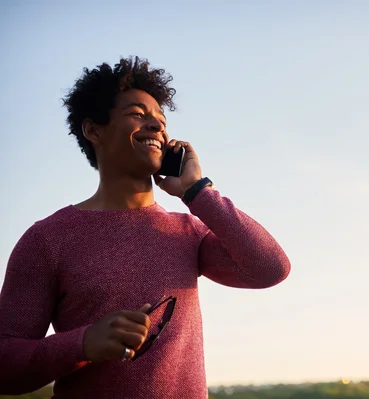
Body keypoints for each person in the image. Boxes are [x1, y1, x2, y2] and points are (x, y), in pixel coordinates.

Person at [0, 56, 291, 399]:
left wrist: (197, 192)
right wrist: (83, 343)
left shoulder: (187, 231)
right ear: (93, 130)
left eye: (161, 121)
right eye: (138, 114)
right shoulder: (47, 239)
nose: (157, 127)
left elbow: (270, 269)